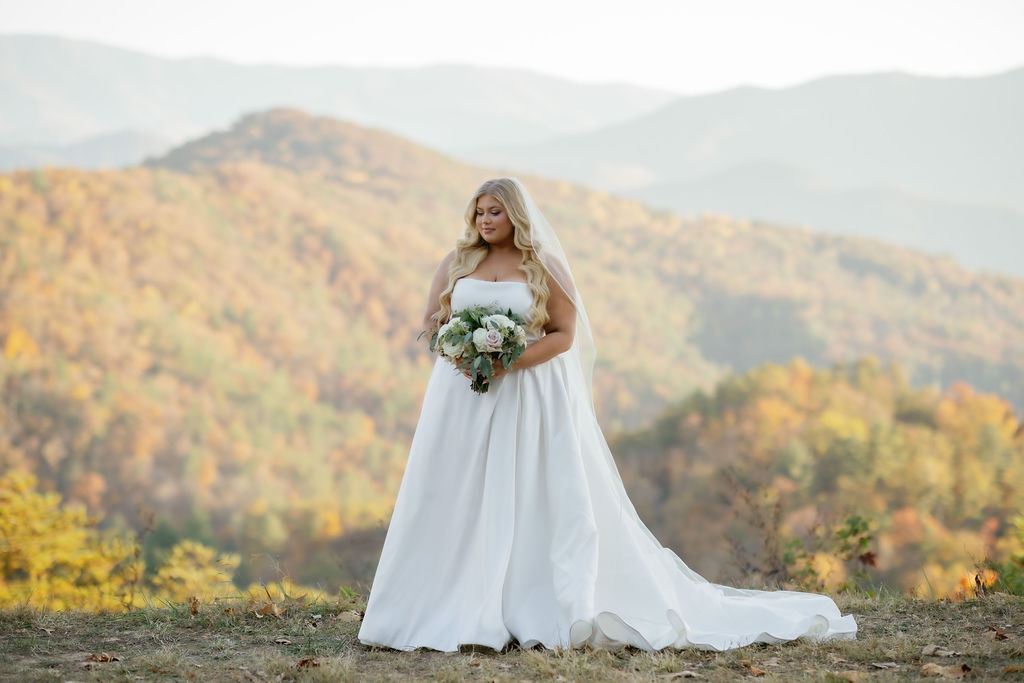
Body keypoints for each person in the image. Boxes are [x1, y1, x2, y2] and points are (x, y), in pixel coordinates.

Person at [357, 177, 857, 652]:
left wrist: (508, 360)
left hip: (526, 392)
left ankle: (525, 602)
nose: (486, 220)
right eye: (480, 212)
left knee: (527, 492)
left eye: (496, 211)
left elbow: (564, 334)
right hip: (461, 396)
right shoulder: (455, 261)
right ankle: (447, 603)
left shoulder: (543, 266)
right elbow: (431, 321)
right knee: (455, 492)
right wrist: (459, 349)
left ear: (516, 215)